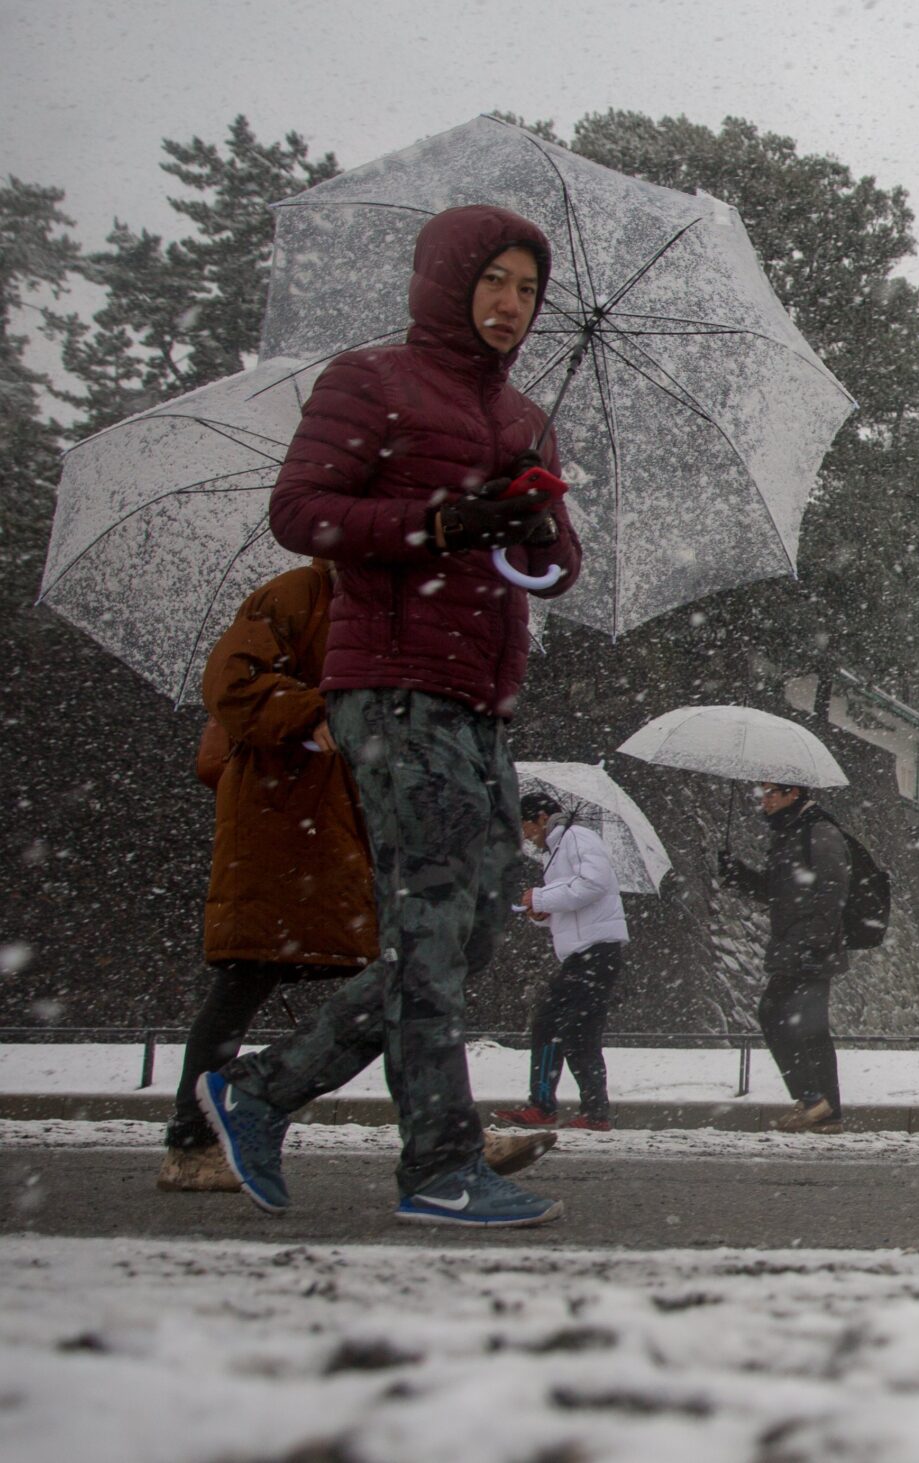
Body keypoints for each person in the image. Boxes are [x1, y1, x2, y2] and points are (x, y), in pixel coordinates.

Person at [196, 203, 582, 1229]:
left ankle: (263, 1088)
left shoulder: (525, 418)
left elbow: (555, 569)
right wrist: (437, 522)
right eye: (494, 280)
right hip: (391, 685)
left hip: (480, 697)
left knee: (461, 931)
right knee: (426, 928)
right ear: (448, 279)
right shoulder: (370, 381)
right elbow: (301, 510)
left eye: (528, 289)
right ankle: (438, 1164)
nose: (510, 304)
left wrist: (532, 516)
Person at [160, 560, 553, 1192]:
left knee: (411, 976)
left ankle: (442, 1135)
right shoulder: (298, 594)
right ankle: (192, 1143)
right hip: (285, 826)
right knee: (249, 978)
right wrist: (320, 712)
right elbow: (231, 685)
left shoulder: (405, 602)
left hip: (360, 825)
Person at [718, 782, 851, 1133]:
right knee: (812, 1031)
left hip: (806, 946)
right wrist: (739, 875)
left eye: (774, 791)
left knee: (774, 1013)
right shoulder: (792, 833)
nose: (766, 799)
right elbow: (780, 893)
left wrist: (815, 943)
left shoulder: (818, 831)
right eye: (763, 792)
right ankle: (829, 1112)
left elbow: (833, 887)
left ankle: (812, 1100)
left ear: (795, 793)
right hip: (799, 943)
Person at [492, 792, 628, 1132]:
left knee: (555, 1024)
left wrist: (540, 896)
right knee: (577, 1030)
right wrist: (541, 912)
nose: (524, 835)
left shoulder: (576, 837)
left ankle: (549, 1107)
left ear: (540, 818)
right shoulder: (556, 850)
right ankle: (590, 1112)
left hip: (595, 952)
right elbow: (573, 903)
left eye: (524, 825)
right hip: (588, 953)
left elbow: (593, 883)